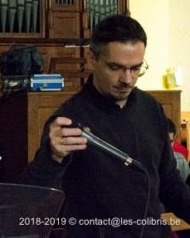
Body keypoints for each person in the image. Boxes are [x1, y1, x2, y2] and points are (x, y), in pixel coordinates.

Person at [24, 15, 190, 237]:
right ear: (93, 59)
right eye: (116, 67)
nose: (128, 79)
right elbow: (35, 197)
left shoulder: (152, 109)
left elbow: (169, 182)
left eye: (136, 68)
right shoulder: (70, 119)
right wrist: (52, 157)